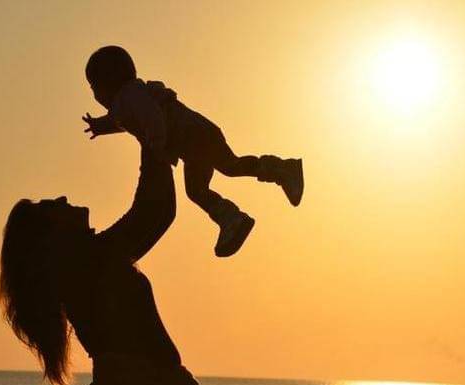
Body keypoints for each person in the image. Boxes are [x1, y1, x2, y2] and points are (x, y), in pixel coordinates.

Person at [0, 141, 207, 385]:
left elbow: (158, 212)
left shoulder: (91, 261)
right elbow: (152, 212)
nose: (62, 198)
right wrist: (150, 135)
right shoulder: (90, 261)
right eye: (52, 207)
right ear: (52, 238)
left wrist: (155, 141)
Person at [82, 45, 304, 257]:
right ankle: (237, 213)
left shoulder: (129, 95)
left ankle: (256, 195)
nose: (95, 95)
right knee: (218, 175)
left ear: (107, 83)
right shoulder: (127, 100)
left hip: (194, 137)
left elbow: (151, 116)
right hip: (194, 141)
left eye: (94, 87)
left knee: (219, 174)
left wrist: (156, 145)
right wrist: (100, 126)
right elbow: (122, 120)